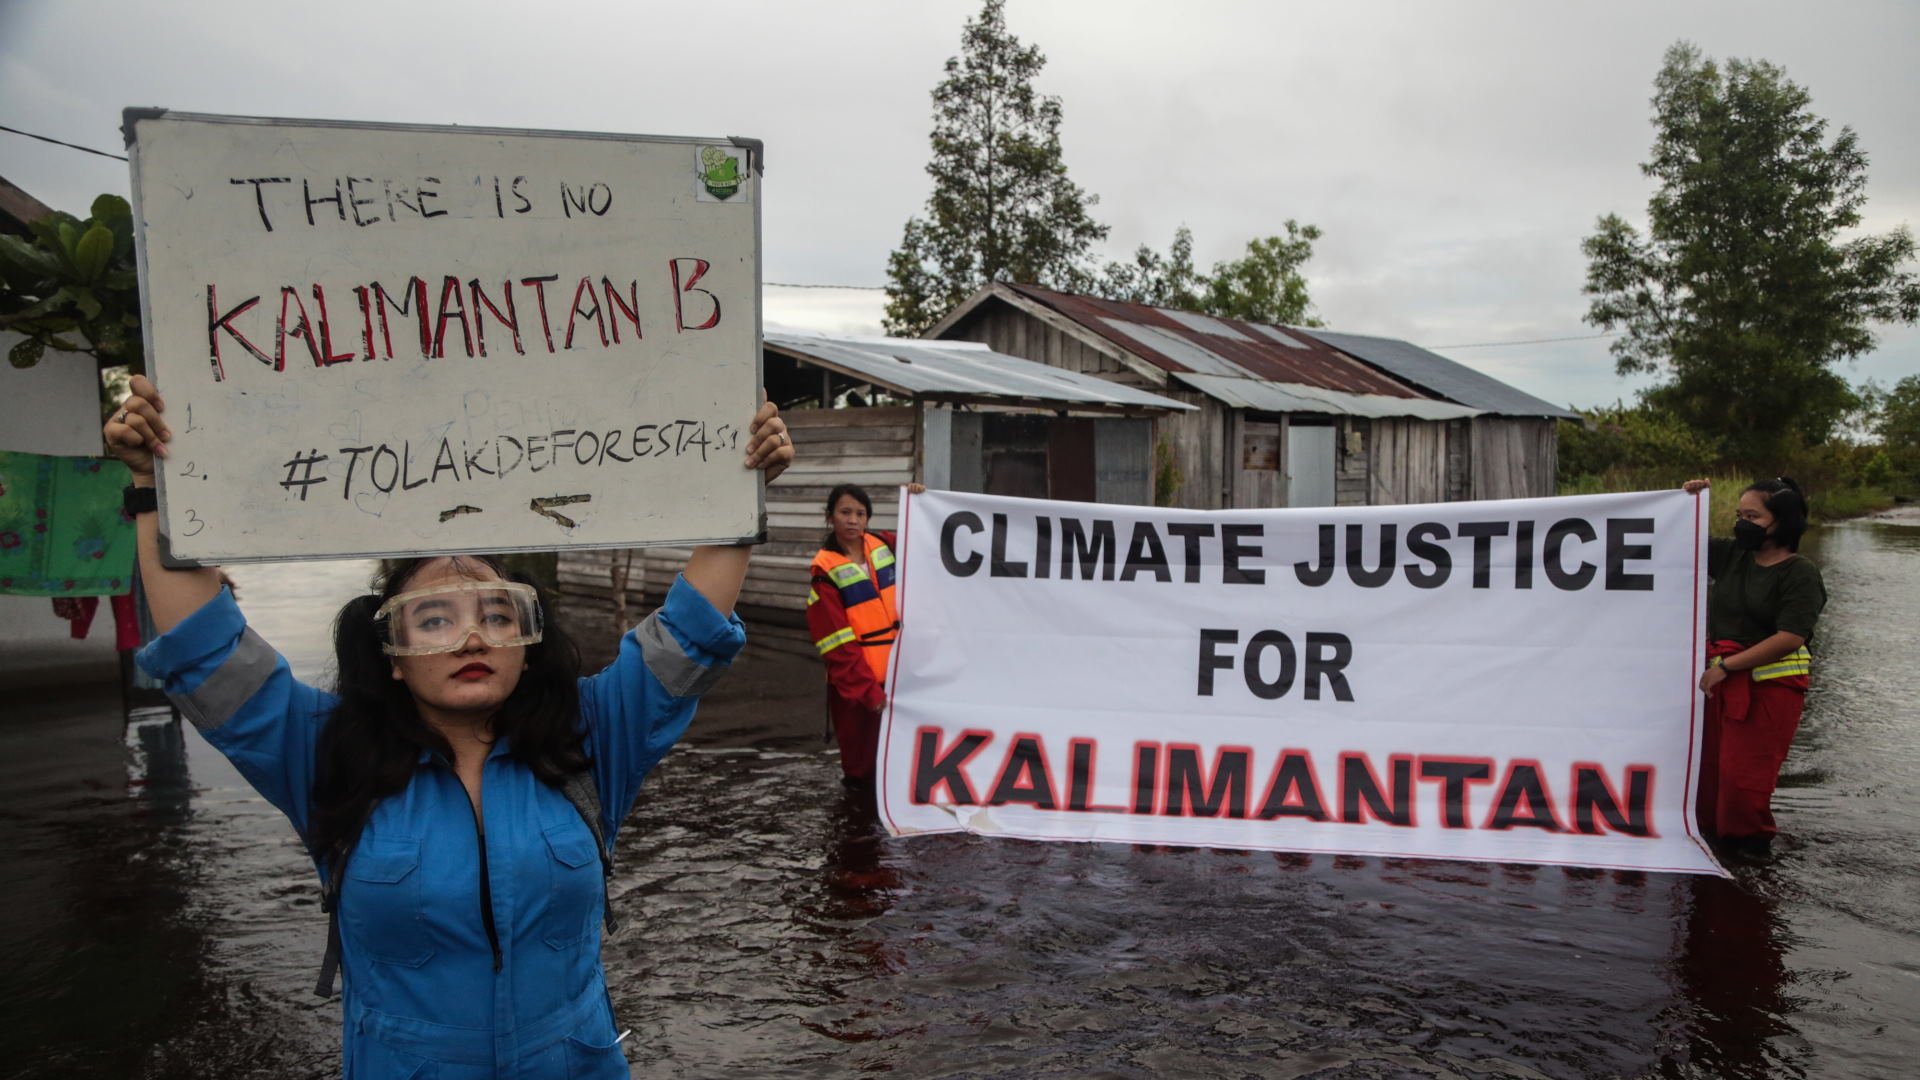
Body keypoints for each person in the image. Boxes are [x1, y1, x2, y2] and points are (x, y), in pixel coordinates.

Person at [105, 374, 793, 1078]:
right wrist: (153, 485)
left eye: (497, 616)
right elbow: (204, 651)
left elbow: (690, 634)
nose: (470, 638)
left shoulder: (591, 736)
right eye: (434, 620)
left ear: (527, 646)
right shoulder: (324, 751)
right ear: (392, 658)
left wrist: (739, 485)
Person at [1681, 477, 1827, 858]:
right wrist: (1686, 501)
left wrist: (1728, 666)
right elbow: (1676, 535)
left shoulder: (1800, 573)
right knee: (1710, 775)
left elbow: (1790, 636)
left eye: (1753, 516)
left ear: (1784, 521)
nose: (1742, 522)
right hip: (1721, 685)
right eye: (1738, 514)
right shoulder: (1732, 556)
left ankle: (1751, 855)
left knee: (1743, 782)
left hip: (1770, 691)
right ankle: (1714, 852)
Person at [806, 482, 923, 786]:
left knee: (902, 769)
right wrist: (869, 694)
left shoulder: (884, 544)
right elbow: (837, 646)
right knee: (863, 772)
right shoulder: (825, 574)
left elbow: (927, 538)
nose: (853, 520)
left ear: (868, 519)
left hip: (901, 682)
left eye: (860, 513)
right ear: (830, 517)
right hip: (859, 693)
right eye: (845, 512)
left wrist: (919, 499)